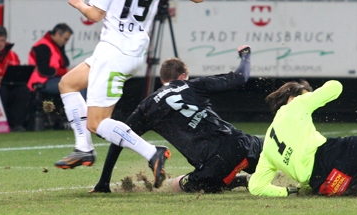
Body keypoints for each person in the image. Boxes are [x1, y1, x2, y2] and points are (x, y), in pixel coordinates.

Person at [56, 0, 206, 189]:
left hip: (115, 50)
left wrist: (79, 4)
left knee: (97, 123)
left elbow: (95, 14)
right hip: (131, 50)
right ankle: (83, 148)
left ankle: (152, 152)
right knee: (68, 83)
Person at [92, 46, 262, 193]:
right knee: (268, 149)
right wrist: (245, 54)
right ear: (182, 76)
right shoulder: (194, 85)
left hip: (215, 168)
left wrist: (104, 182)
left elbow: (119, 138)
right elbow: (240, 78)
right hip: (243, 144)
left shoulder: (147, 107)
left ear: (162, 80)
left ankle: (231, 180)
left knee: (177, 185)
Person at [0, 26, 30, 131]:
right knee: (1, 91)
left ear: (6, 41)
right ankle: (0, 122)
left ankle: (17, 125)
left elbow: (16, 72)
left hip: (9, 84)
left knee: (23, 91)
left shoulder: (12, 55)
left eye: (2, 40)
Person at [27, 23, 72, 95]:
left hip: (53, 79)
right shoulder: (43, 46)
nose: (66, 42)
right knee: (75, 85)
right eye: (65, 39)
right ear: (57, 34)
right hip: (42, 81)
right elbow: (44, 70)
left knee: (82, 82)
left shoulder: (56, 45)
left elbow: (65, 63)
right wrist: (65, 71)